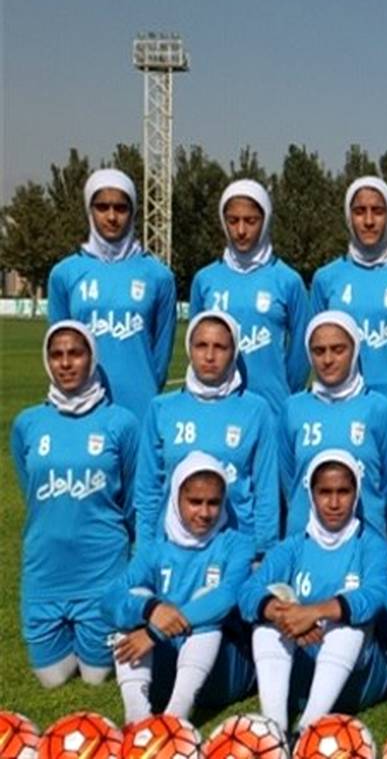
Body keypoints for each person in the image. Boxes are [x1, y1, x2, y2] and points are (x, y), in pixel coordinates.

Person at [10, 321, 138, 688]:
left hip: (101, 571)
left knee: (96, 677)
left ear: (92, 359)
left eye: (76, 354)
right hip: (44, 572)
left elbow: (131, 499)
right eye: (57, 355)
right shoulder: (28, 424)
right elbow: (31, 487)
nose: (65, 363)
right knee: (51, 680)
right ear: (47, 361)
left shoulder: (121, 423)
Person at [311, 175, 387, 555]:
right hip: (339, 416)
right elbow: (314, 345)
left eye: (377, 210)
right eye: (359, 210)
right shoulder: (327, 279)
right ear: (348, 216)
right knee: (338, 518)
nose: (368, 220)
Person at [240, 450, 387, 733]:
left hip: (358, 679)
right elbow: (248, 593)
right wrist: (284, 616)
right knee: (267, 615)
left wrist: (315, 613)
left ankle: (308, 730)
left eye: (343, 492)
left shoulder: (371, 545)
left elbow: (377, 594)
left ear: (356, 494)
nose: (334, 503)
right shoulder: (292, 546)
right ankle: (274, 729)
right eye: (325, 492)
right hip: (300, 671)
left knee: (346, 625)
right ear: (311, 495)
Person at [104, 452, 255, 723]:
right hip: (166, 671)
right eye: (195, 502)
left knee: (207, 602)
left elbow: (228, 595)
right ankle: (136, 718)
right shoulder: (154, 549)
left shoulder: (237, 545)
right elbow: (109, 599)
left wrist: (155, 631)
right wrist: (150, 609)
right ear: (176, 499)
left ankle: (176, 720)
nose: (205, 513)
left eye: (213, 503)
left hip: (223, 674)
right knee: (137, 599)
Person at [135, 309, 280, 555]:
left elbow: (266, 490)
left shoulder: (256, 410)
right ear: (189, 348)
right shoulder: (161, 408)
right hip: (172, 551)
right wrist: (146, 550)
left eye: (220, 347)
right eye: (201, 345)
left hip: (236, 547)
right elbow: (147, 488)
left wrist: (262, 551)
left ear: (234, 351)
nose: (210, 356)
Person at [47, 168, 176, 415]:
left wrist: (145, 388)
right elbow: (58, 345)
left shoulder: (159, 276)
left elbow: (160, 356)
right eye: (102, 207)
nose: (112, 216)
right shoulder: (64, 274)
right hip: (83, 409)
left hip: (140, 406)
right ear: (90, 210)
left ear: (133, 212)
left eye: (121, 208)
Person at [280, 311, 387, 545]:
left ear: (355, 350)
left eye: (338, 350)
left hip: (364, 543)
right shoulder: (292, 408)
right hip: (304, 543)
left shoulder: (379, 409)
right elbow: (289, 479)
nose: (328, 359)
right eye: (319, 351)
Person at [189, 179, 311, 415]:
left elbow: (301, 352)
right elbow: (195, 344)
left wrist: (282, 389)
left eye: (251, 221)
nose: (241, 230)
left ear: (265, 221)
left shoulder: (288, 280)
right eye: (233, 221)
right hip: (218, 409)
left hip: (272, 409)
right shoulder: (205, 279)